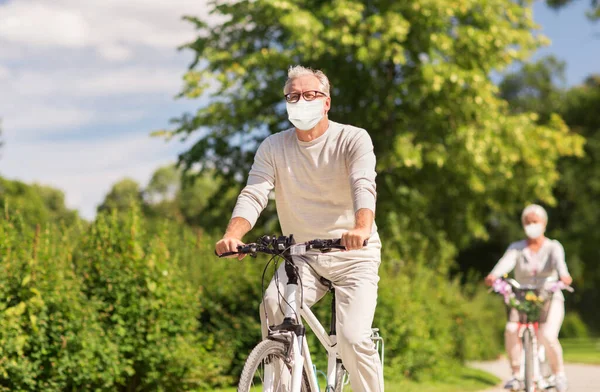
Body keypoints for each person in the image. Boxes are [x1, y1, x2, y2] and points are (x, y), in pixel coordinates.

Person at [215, 65, 383, 392]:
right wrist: (234, 234)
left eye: (309, 94)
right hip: (302, 256)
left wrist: (361, 227)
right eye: (293, 96)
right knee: (273, 306)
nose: (300, 101)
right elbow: (254, 192)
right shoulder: (273, 147)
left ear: (327, 103)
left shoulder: (352, 138)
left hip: (353, 254)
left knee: (351, 338)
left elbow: (363, 183)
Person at [485, 204, 573, 392]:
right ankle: (517, 374)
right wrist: (493, 275)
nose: (532, 224)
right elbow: (505, 263)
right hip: (521, 295)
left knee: (547, 335)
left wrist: (564, 276)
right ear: (523, 224)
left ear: (544, 223)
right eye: (528, 221)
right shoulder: (516, 248)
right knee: (511, 329)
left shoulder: (553, 246)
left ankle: (559, 374)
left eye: (535, 221)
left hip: (549, 295)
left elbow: (560, 265)